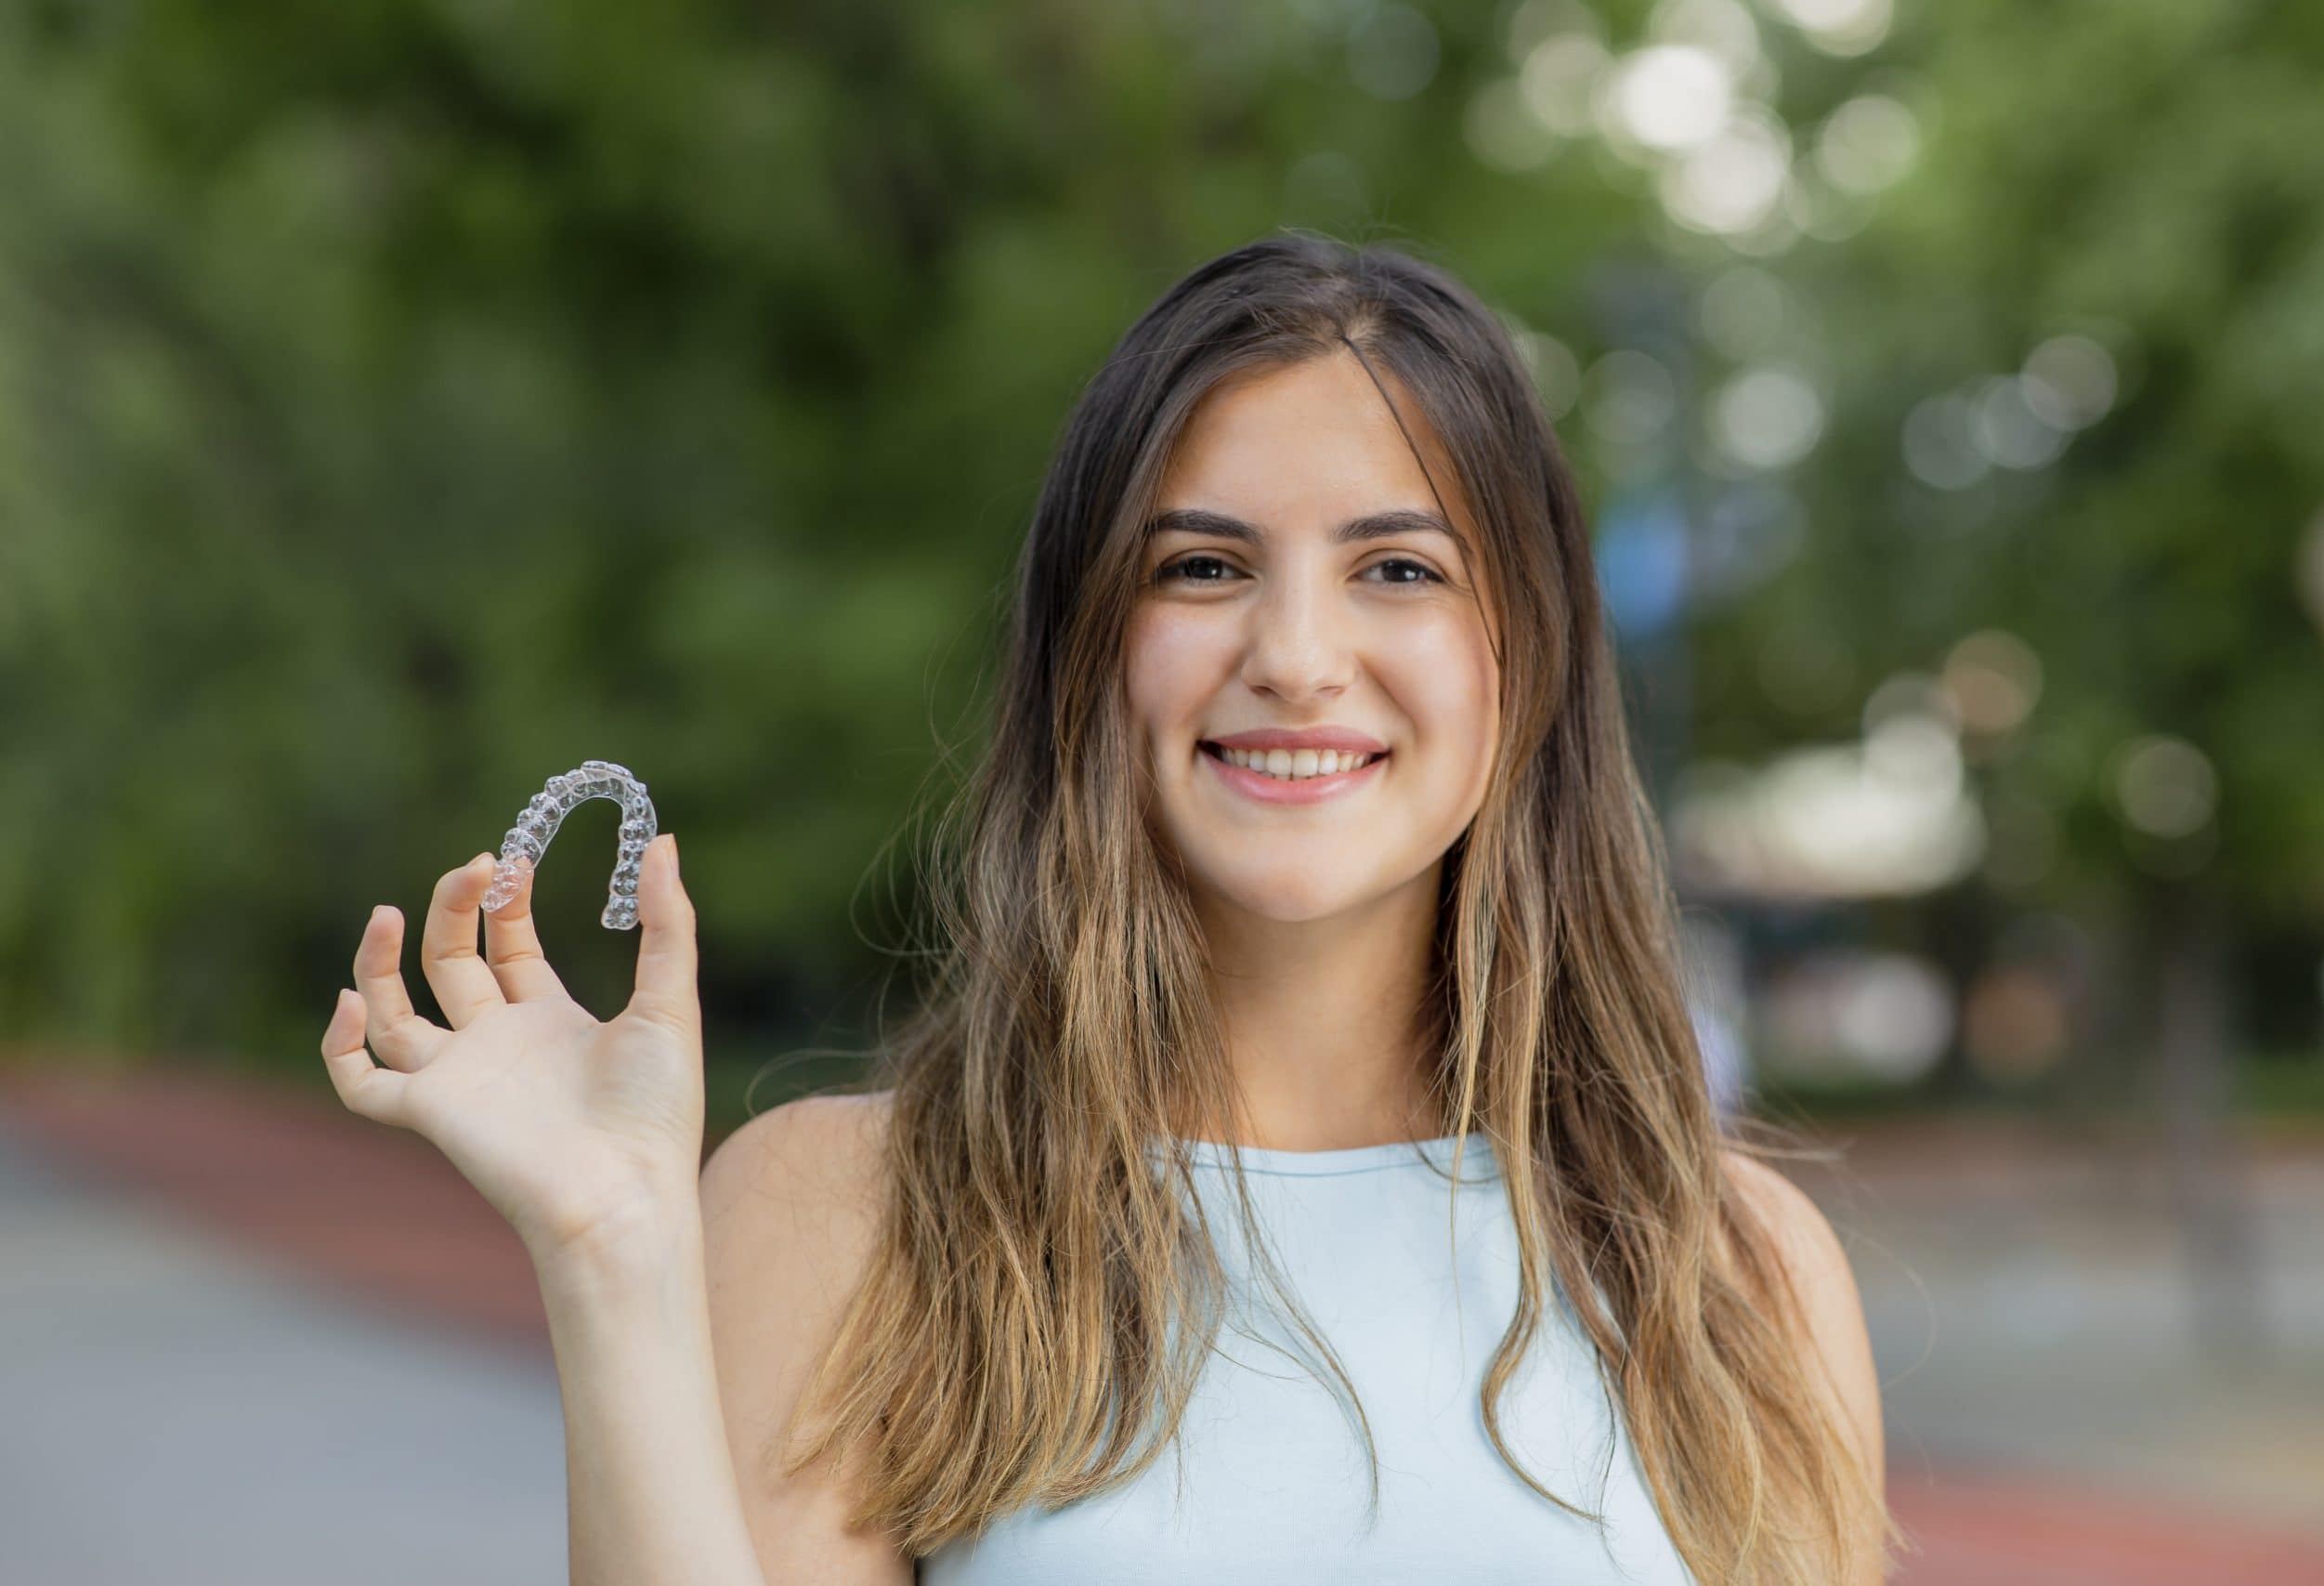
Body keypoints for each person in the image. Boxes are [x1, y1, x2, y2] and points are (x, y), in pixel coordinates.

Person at [320, 233, 1900, 1584]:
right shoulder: (848, 1214)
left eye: (1399, 570)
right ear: (1090, 651)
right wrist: (614, 1255)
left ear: (1527, 657)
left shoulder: (1736, 1269)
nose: (1295, 657)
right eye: (1203, 567)